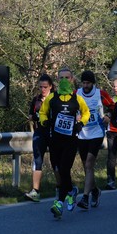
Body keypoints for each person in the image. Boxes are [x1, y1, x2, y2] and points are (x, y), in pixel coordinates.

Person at [39, 67, 90, 219]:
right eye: (61, 78)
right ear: (57, 80)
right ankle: (71, 190)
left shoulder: (77, 99)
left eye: (67, 78)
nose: (64, 81)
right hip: (55, 140)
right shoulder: (52, 98)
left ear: (72, 80)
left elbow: (86, 112)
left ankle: (59, 203)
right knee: (57, 167)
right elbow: (42, 112)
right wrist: (45, 121)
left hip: (70, 141)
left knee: (63, 168)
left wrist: (82, 123)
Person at [75, 70, 115, 210]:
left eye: (88, 83)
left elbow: (112, 106)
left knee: (89, 163)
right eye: (84, 83)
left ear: (93, 83)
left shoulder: (100, 94)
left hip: (97, 132)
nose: (85, 85)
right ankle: (95, 191)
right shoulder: (77, 93)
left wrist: (108, 116)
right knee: (87, 166)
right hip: (82, 133)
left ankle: (85, 198)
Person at [25, 74, 58, 202]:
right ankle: (35, 191)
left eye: (45, 87)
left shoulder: (56, 98)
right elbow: (31, 114)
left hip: (53, 133)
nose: (43, 89)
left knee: (55, 160)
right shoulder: (36, 99)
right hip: (40, 132)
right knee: (37, 159)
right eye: (40, 87)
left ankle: (60, 187)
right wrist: (32, 117)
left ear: (50, 86)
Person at [105, 78, 117, 190]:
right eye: (113, 86)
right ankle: (111, 180)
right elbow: (108, 112)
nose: (115, 88)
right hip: (111, 131)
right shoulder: (110, 100)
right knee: (111, 156)